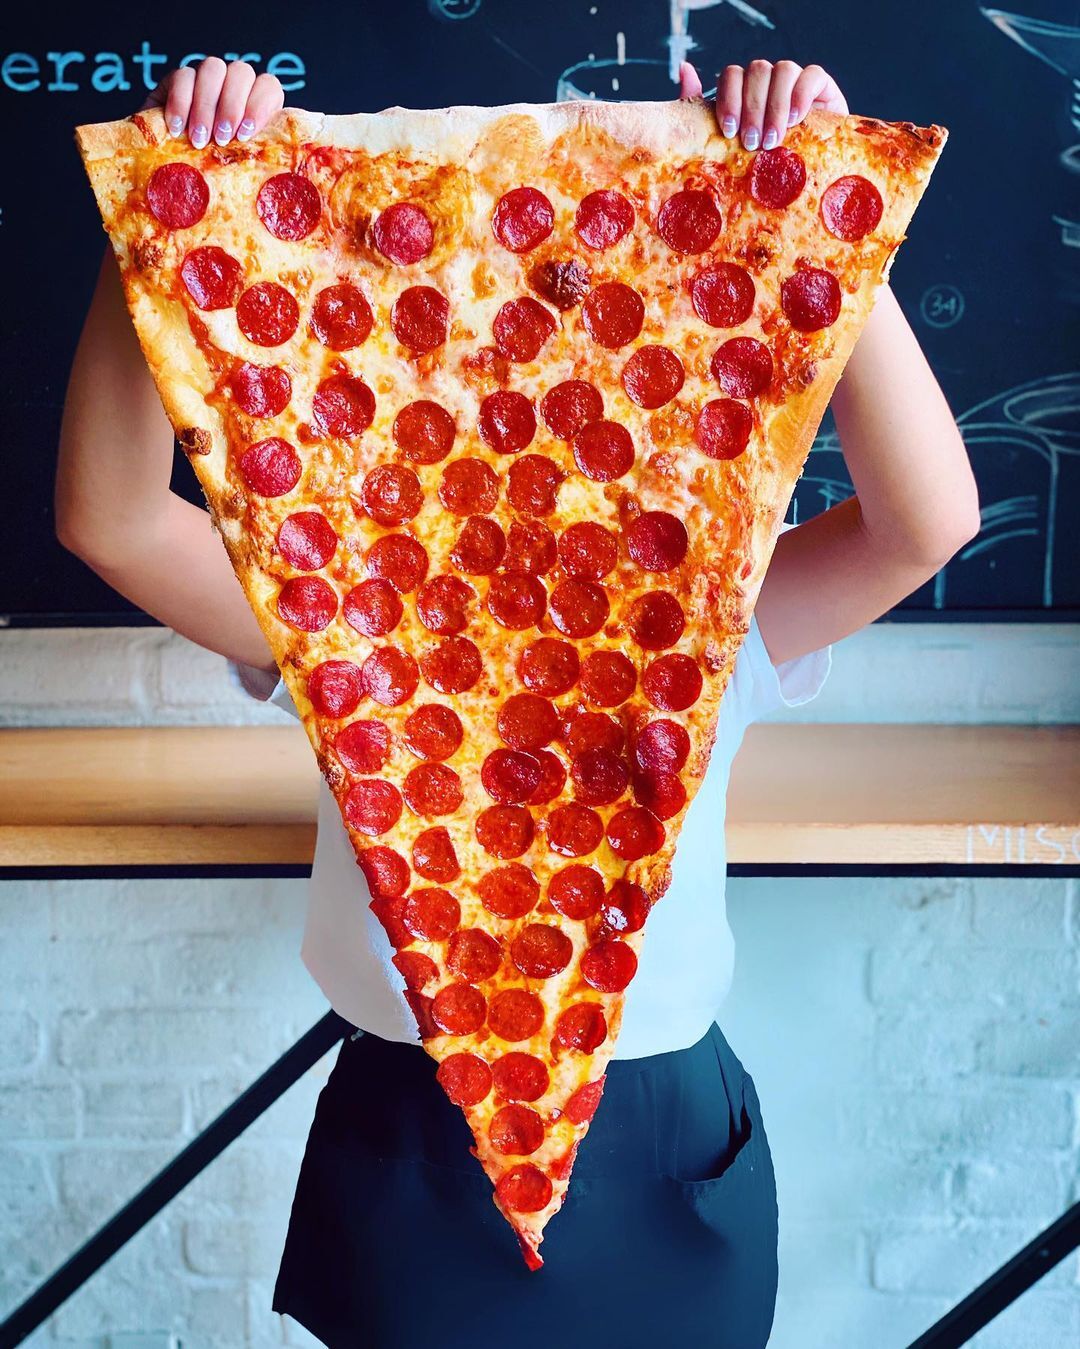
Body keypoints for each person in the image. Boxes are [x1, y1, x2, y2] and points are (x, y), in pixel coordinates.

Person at [57, 53, 979, 1349]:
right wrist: (160, 212)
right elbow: (108, 520)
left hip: (660, 1143)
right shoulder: (348, 589)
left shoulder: (705, 586)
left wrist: (822, 201)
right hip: (413, 1142)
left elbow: (925, 525)